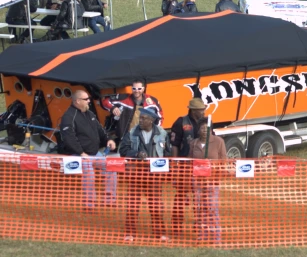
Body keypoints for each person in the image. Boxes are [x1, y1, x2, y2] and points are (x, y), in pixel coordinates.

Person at [118, 107, 171, 242]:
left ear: (152, 120)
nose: (140, 120)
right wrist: (136, 154)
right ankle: (130, 233)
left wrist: (166, 170)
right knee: (132, 205)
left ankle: (160, 233)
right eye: (140, 117)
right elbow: (123, 150)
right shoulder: (131, 132)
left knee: (156, 205)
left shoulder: (162, 133)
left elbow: (167, 153)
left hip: (154, 175)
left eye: (144, 118)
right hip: (135, 174)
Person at [60, 89, 117, 209]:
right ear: (77, 101)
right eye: (86, 99)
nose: (89, 102)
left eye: (89, 99)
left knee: (111, 167)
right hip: (78, 155)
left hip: (94, 153)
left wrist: (108, 140)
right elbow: (68, 138)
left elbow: (101, 130)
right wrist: (81, 152)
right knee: (89, 173)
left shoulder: (90, 114)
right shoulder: (69, 116)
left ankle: (110, 200)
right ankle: (89, 204)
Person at [170, 98, 207, 234]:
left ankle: (199, 224)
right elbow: (175, 145)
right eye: (201, 110)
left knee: (200, 197)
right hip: (184, 165)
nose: (203, 112)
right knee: (180, 196)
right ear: (193, 110)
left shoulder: (206, 123)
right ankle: (177, 226)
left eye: (203, 109)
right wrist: (175, 165)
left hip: (201, 166)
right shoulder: (181, 122)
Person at [189, 118, 227, 243]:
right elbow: (190, 162)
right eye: (202, 128)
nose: (204, 130)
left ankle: (216, 236)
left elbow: (223, 161)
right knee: (199, 207)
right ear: (198, 130)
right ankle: (202, 234)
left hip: (212, 181)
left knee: (212, 207)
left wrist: (217, 173)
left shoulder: (219, 142)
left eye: (207, 127)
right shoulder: (194, 143)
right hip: (197, 181)